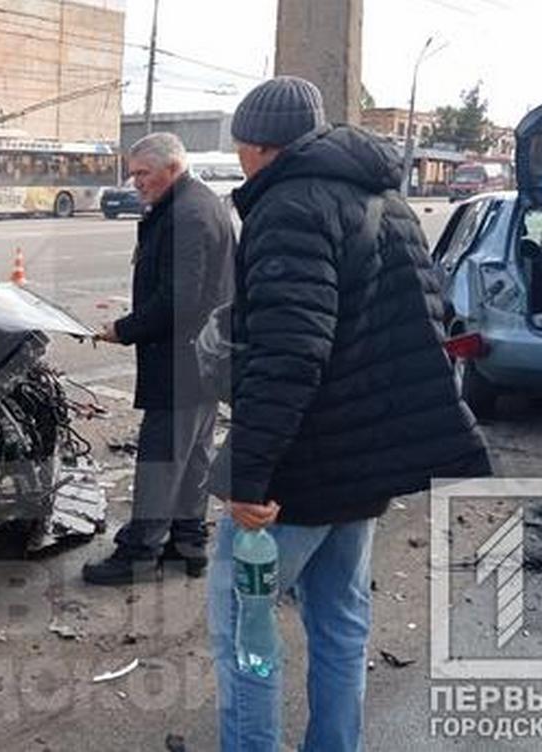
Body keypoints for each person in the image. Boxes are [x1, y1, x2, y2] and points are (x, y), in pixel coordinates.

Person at [206, 76, 491, 751]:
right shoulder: (388, 202)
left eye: (242, 147)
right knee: (340, 621)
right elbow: (424, 322)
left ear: (256, 145)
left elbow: (289, 354)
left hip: (300, 472)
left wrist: (247, 477)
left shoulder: (288, 208)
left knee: (241, 627)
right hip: (364, 466)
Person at [83, 132, 235, 585]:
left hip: (182, 360)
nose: (135, 183)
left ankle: (139, 554)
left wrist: (123, 329)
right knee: (192, 457)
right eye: (133, 174)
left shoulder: (186, 213)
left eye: (142, 174)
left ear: (172, 168)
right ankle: (187, 546)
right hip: (203, 357)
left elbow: (180, 299)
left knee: (160, 459)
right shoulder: (199, 203)